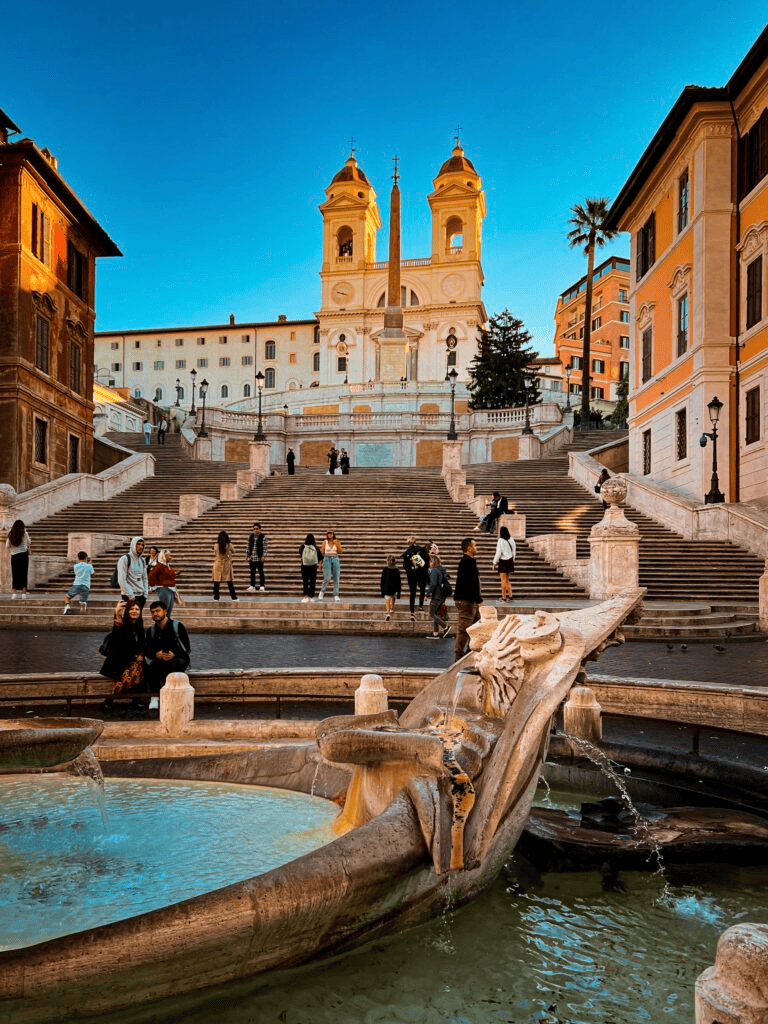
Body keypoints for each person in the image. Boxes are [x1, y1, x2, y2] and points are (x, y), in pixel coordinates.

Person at [99, 598, 146, 714]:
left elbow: (142, 645)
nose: (134, 611)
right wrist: (117, 612)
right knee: (133, 670)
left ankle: (110, 700)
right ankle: (135, 699)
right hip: (118, 660)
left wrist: (141, 654)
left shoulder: (140, 627)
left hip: (133, 661)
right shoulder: (122, 624)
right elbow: (117, 628)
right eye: (131, 609)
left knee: (137, 667)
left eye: (137, 609)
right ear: (127, 611)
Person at [144, 599, 191, 710]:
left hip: (178, 658)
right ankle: (154, 697)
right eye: (152, 612)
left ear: (165, 611)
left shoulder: (177, 626)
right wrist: (156, 654)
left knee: (173, 665)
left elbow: (187, 647)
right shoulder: (150, 631)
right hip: (159, 660)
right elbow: (148, 651)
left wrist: (174, 654)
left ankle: (172, 697)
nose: (155, 614)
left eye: (158, 611)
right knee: (152, 667)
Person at [454, 536, 483, 661]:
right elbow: (471, 583)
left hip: (469, 600)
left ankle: (468, 654)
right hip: (466, 601)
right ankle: (458, 658)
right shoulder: (467, 562)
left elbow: (474, 582)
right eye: (475, 545)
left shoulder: (469, 561)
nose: (477, 548)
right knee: (464, 631)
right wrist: (479, 600)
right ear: (469, 548)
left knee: (477, 628)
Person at [401, 536, 429, 620]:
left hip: (411, 575)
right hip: (421, 573)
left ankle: (412, 612)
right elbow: (427, 562)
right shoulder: (421, 550)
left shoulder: (406, 553)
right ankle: (421, 606)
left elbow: (405, 566)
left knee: (412, 593)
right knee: (422, 589)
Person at [117, 537, 149, 609]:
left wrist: (145, 593)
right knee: (129, 618)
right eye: (138, 544)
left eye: (142, 545)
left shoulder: (142, 560)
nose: (141, 547)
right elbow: (121, 580)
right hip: (129, 595)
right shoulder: (125, 559)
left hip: (141, 595)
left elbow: (145, 578)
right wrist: (131, 595)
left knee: (138, 618)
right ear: (133, 545)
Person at [426, 554, 452, 639]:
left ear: (433, 562)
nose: (429, 563)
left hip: (436, 595)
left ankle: (445, 627)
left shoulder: (434, 571)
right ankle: (435, 633)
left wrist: (428, 593)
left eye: (430, 561)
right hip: (441, 594)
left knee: (431, 613)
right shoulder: (441, 570)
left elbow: (433, 584)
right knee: (436, 613)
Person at [148, 549, 179, 617]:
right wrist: (153, 586)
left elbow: (167, 575)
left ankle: (167, 625)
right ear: (164, 556)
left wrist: (175, 573)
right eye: (169, 556)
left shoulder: (167, 566)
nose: (171, 557)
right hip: (164, 589)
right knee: (164, 609)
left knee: (169, 610)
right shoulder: (159, 565)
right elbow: (151, 575)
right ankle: (162, 625)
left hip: (170, 589)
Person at [6, 519, 31, 599]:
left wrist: (12, 550)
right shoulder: (24, 533)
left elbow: (7, 545)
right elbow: (29, 542)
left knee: (15, 574)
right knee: (24, 574)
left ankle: (14, 593)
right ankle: (24, 593)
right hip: (23, 555)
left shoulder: (11, 534)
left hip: (14, 556)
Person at [63, 550, 94, 615]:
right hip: (86, 585)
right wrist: (90, 564)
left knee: (67, 596)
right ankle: (83, 603)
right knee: (83, 599)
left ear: (78, 558)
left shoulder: (75, 566)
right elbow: (93, 573)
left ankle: (67, 606)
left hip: (77, 584)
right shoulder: (89, 566)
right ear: (86, 558)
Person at [492, 526, 516, 602]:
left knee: (503, 580)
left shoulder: (500, 540)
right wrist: (512, 559)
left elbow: (498, 553)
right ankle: (511, 596)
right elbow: (514, 551)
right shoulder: (511, 539)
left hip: (503, 561)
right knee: (507, 580)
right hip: (510, 561)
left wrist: (494, 563)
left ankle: (504, 597)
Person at [212, 531, 238, 601]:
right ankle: (234, 597)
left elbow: (215, 553)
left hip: (218, 564)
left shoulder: (216, 545)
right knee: (229, 582)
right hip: (226, 564)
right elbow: (234, 551)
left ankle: (216, 597)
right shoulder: (229, 545)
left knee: (216, 582)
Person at [318, 531, 342, 602]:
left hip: (335, 558)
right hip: (326, 558)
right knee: (327, 577)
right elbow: (322, 553)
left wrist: (337, 545)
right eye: (328, 534)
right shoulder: (325, 542)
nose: (330, 535)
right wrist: (320, 563)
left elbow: (340, 551)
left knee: (336, 577)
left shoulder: (337, 541)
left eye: (331, 534)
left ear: (333, 535)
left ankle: (336, 594)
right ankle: (322, 592)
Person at [299, 532, 320, 602]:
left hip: (304, 566)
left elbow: (300, 553)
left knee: (305, 581)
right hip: (313, 567)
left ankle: (305, 596)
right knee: (312, 582)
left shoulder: (302, 546)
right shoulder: (315, 547)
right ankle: (311, 596)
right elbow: (320, 556)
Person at [246, 523, 267, 593]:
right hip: (252, 557)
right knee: (252, 572)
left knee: (261, 572)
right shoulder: (251, 537)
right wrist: (247, 555)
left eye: (257, 529)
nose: (255, 530)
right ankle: (252, 585)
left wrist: (264, 556)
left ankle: (262, 585)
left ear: (260, 529)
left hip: (259, 557)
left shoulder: (262, 537)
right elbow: (248, 546)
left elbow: (265, 547)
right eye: (254, 529)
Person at [380, 554, 401, 621]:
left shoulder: (385, 569)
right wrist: (399, 590)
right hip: (394, 586)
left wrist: (382, 589)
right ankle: (392, 608)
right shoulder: (396, 569)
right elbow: (398, 580)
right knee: (393, 597)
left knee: (387, 599)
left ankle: (388, 611)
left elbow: (382, 579)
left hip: (386, 586)